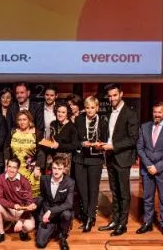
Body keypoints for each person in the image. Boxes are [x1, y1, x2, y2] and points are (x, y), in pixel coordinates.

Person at [98, 83, 139, 236]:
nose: (112, 98)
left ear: (121, 94)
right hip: (110, 157)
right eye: (110, 96)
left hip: (122, 158)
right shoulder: (110, 112)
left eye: (115, 95)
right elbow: (110, 135)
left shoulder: (130, 114)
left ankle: (123, 224)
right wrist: (103, 145)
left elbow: (133, 139)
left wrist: (113, 146)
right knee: (114, 191)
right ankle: (115, 220)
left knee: (124, 193)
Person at [136, 102, 163, 239]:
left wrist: (157, 167)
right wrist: (149, 165)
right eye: (155, 112)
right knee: (147, 198)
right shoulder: (144, 127)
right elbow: (140, 148)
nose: (157, 115)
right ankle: (147, 223)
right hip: (147, 169)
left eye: (160, 112)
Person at [73, 96, 108, 232]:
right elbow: (74, 140)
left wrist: (100, 145)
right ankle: (87, 215)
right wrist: (82, 143)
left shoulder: (103, 122)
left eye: (92, 107)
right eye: (87, 108)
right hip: (80, 159)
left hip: (95, 159)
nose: (89, 110)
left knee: (93, 190)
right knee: (82, 190)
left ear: (97, 108)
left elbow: (105, 140)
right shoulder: (79, 119)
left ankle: (90, 217)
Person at [0, 158, 37, 245]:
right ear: (6, 167)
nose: (11, 170)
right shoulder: (0, 179)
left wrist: (21, 220)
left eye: (14, 167)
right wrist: (13, 205)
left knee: (30, 226)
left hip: (21, 210)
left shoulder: (24, 181)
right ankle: (0, 234)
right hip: (8, 210)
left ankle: (23, 232)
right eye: (9, 166)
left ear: (18, 169)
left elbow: (29, 203)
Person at [35, 154, 75, 250]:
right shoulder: (44, 179)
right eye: (54, 168)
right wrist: (34, 204)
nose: (56, 171)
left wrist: (51, 211)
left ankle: (62, 236)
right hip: (47, 213)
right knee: (40, 243)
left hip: (61, 212)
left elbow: (69, 204)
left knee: (67, 214)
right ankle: (55, 228)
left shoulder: (70, 182)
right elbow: (42, 196)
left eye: (59, 169)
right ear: (51, 168)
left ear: (64, 169)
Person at [5, 110, 44, 198]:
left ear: (29, 120)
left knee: (30, 198)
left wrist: (38, 168)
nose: (22, 122)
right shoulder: (13, 132)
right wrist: (6, 165)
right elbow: (7, 149)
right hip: (15, 170)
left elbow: (41, 152)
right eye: (19, 120)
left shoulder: (37, 133)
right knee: (15, 196)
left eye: (24, 119)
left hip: (31, 171)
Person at [39, 103, 78, 172]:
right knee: (49, 177)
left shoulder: (72, 127)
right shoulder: (53, 123)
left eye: (63, 112)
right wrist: (45, 143)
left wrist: (59, 145)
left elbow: (74, 146)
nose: (60, 114)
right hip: (51, 157)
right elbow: (50, 140)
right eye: (58, 111)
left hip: (64, 160)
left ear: (67, 114)